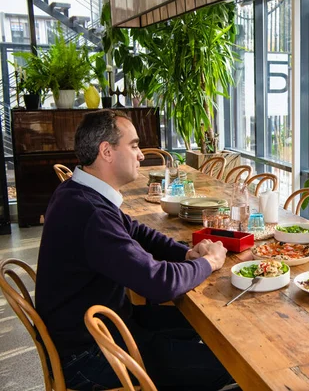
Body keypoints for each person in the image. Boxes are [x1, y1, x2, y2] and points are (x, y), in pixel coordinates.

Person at [35, 110, 233, 390]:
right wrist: (209, 263)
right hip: (89, 354)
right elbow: (158, 283)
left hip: (106, 326)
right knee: (225, 365)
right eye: (134, 145)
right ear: (106, 151)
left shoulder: (78, 191)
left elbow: (137, 231)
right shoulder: (90, 212)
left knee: (208, 326)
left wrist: (186, 254)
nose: (141, 154)